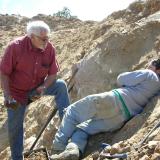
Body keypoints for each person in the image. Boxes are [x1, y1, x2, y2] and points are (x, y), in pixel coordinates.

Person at [50, 59, 160, 160]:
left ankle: (56, 150)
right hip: (120, 119)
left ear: (156, 67)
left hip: (115, 101)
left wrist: (143, 72)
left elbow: (121, 79)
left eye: (149, 65)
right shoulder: (157, 88)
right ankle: (73, 150)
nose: (147, 66)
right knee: (82, 129)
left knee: (72, 112)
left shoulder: (149, 74)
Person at [0, 21, 70, 160]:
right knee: (15, 127)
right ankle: (17, 157)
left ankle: (68, 128)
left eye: (48, 38)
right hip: (17, 93)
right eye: (43, 39)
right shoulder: (15, 47)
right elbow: (3, 73)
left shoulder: (49, 48)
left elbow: (52, 74)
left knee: (60, 86)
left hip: (37, 89)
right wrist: (7, 95)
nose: (47, 41)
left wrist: (43, 87)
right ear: (31, 36)